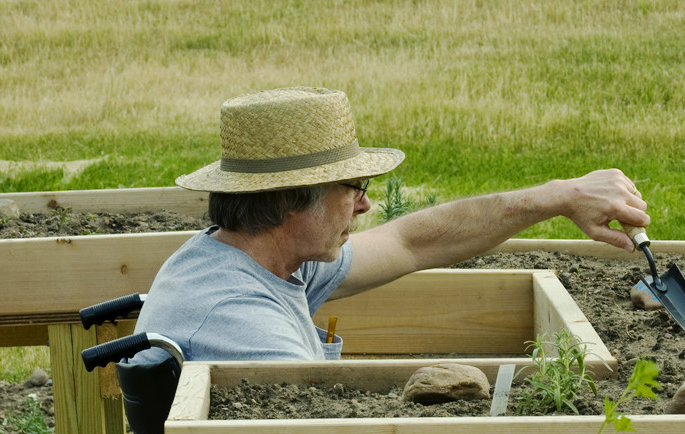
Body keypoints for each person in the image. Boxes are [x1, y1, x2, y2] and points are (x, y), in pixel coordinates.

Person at [133, 86, 649, 361]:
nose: (364, 206)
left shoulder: (258, 257)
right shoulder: (241, 322)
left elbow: (412, 241)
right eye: (352, 188)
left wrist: (559, 196)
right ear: (293, 201)